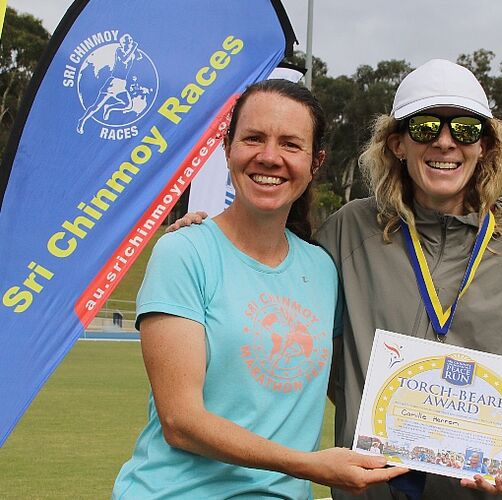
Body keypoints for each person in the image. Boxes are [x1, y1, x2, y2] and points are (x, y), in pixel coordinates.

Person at [172, 59, 502, 499]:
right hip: (365, 491)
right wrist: (210, 236)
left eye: (464, 129)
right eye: (425, 128)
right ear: (398, 144)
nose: (445, 143)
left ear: (485, 145)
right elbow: (273, 271)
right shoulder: (349, 231)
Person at [112, 79, 405, 499]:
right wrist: (309, 465)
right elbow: (180, 422)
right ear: (227, 147)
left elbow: (352, 390)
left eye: (290, 144)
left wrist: (479, 445)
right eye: (253, 138)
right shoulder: (184, 253)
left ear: (315, 161)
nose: (269, 157)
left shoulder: (322, 268)